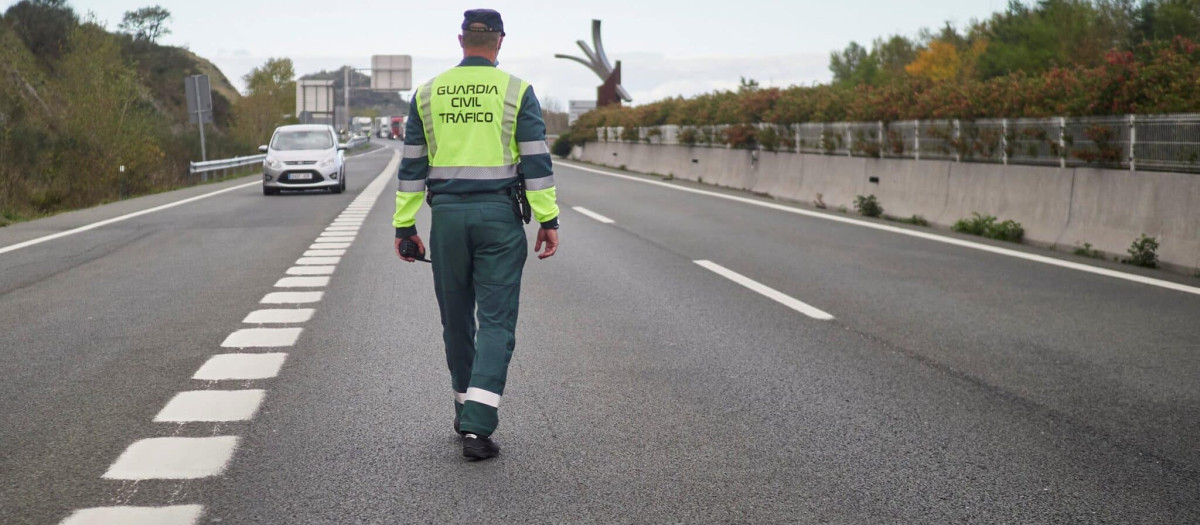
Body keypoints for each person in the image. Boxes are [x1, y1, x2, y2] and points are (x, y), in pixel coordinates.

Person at [393, 8, 560, 461]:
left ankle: (465, 408)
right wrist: (548, 220)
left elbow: (411, 166)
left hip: (446, 218)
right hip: (499, 219)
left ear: (461, 40)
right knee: (497, 322)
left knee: (457, 319)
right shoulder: (517, 91)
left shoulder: (427, 93)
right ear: (500, 41)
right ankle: (477, 428)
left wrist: (405, 225)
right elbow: (537, 162)